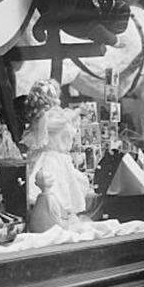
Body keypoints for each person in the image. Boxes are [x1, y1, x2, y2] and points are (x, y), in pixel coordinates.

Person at [20, 79, 91, 215]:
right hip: (51, 158)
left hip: (56, 157)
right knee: (55, 192)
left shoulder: (51, 114)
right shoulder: (47, 116)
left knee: (60, 193)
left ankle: (56, 218)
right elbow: (60, 123)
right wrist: (77, 111)